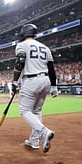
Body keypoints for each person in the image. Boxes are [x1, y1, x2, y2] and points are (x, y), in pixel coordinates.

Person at [11, 23, 57, 153]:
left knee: (25, 111)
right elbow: (51, 69)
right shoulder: (45, 48)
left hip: (31, 80)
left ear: (24, 33)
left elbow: (20, 62)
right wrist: (54, 85)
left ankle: (44, 132)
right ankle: (34, 141)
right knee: (36, 111)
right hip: (46, 80)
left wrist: (15, 81)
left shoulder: (22, 45)